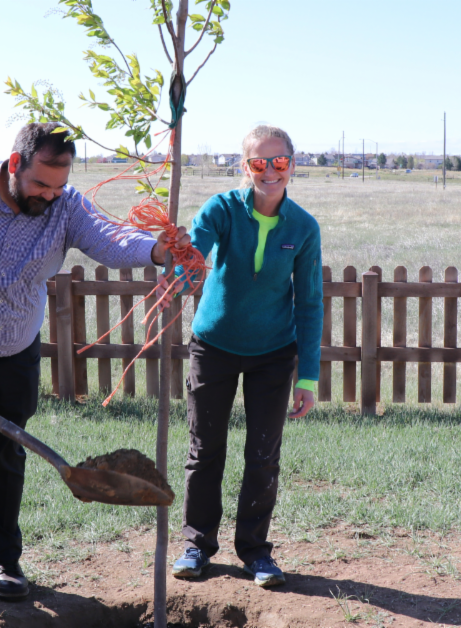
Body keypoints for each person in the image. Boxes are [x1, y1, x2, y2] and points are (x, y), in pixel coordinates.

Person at [0, 122, 186, 600]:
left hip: (15, 355)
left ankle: (5, 563)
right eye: (41, 183)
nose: (50, 194)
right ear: (14, 163)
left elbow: (107, 239)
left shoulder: (65, 205)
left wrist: (154, 250)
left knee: (2, 460)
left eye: (59, 184)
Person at [171, 125, 322, 588]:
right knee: (205, 449)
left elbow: (309, 303)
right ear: (246, 167)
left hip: (272, 355)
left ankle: (255, 551)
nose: (270, 171)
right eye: (260, 162)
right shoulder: (222, 209)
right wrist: (182, 262)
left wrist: (308, 377)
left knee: (262, 455)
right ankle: (197, 543)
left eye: (279, 162)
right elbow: (197, 249)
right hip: (213, 346)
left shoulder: (303, 227)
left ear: (291, 166)